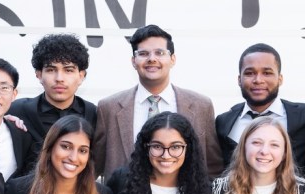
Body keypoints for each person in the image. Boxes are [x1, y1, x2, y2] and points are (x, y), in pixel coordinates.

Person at [94, 24, 223, 179]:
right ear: (134, 61)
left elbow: (213, 168)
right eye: (143, 53)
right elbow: (94, 167)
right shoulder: (108, 108)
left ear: (172, 59)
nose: (152, 59)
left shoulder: (201, 105)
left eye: (160, 53)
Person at [216, 43, 305, 174]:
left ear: (280, 79)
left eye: (267, 73)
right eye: (250, 73)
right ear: (239, 79)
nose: (258, 80)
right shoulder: (223, 122)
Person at [8, 34, 97, 150]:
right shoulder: (16, 111)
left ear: (81, 76)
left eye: (68, 70)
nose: (59, 78)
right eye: (51, 70)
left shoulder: (94, 114)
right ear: (39, 75)